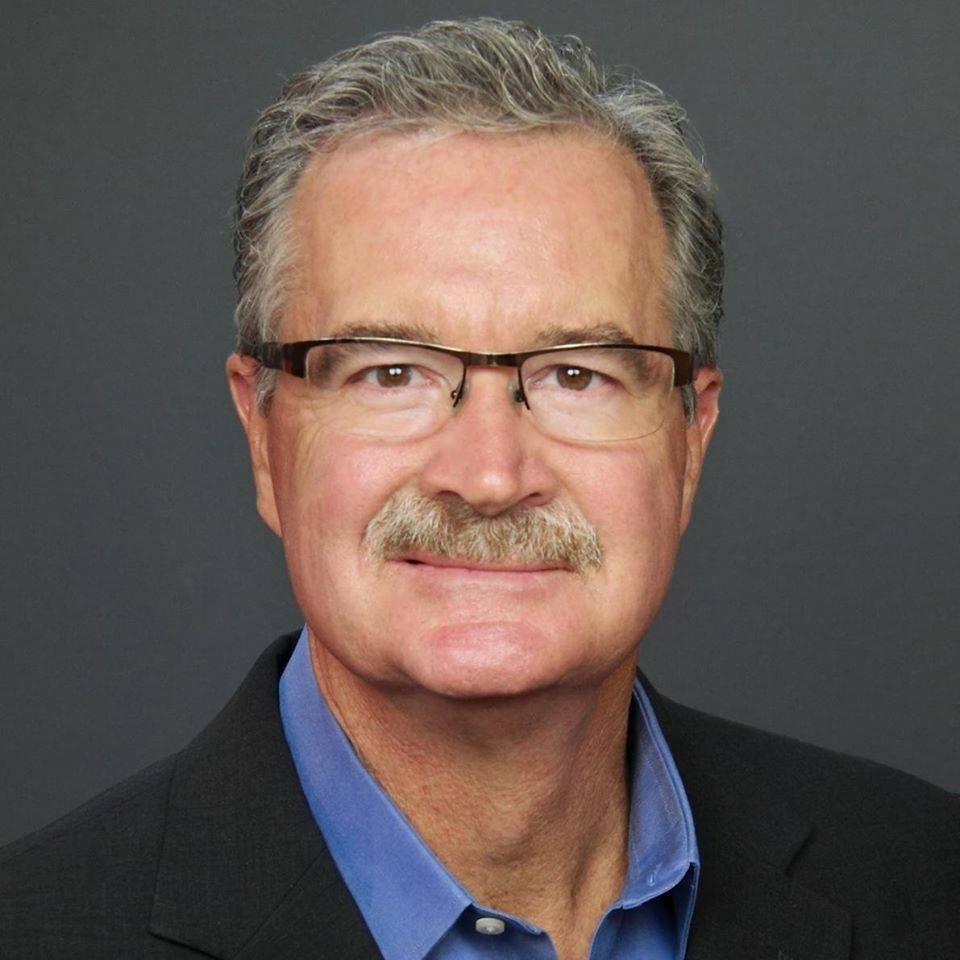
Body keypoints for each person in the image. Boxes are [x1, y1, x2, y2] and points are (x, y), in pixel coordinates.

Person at [0, 17, 956, 960]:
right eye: (390, 373)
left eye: (577, 375)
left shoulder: (926, 882)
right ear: (263, 434)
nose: (490, 476)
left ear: (690, 441)